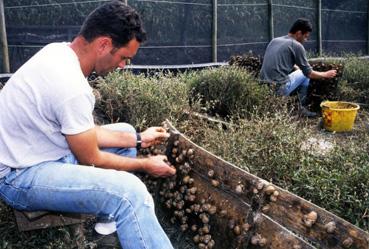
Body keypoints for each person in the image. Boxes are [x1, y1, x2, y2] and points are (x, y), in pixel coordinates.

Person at [0, 1, 175, 249]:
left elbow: (81, 132)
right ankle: (121, 210)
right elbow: (90, 157)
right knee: (131, 193)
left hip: (35, 152)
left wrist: (138, 138)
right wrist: (145, 165)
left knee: (125, 132)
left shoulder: (58, 52)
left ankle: (106, 226)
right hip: (19, 177)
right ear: (103, 44)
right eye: (124, 57)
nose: (123, 66)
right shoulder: (71, 87)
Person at [260, 18, 337, 117]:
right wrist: (326, 74)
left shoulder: (275, 41)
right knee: (304, 75)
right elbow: (309, 73)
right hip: (278, 89)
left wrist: (296, 67)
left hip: (262, 87)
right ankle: (300, 108)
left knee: (299, 72)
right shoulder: (296, 45)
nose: (306, 40)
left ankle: (292, 105)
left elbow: (281, 61)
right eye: (305, 36)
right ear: (299, 33)